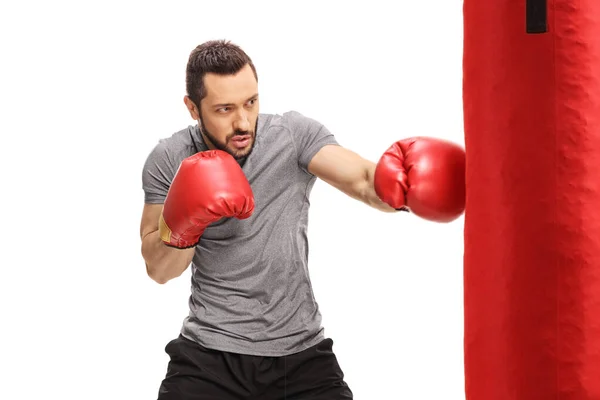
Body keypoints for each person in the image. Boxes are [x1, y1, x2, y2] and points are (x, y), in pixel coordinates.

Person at [140, 39, 465, 400]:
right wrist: (187, 220)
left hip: (300, 356)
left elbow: (361, 179)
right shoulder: (168, 159)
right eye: (224, 109)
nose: (243, 121)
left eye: (251, 102)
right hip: (208, 358)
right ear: (192, 107)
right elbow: (159, 270)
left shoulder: (292, 136)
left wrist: (403, 187)